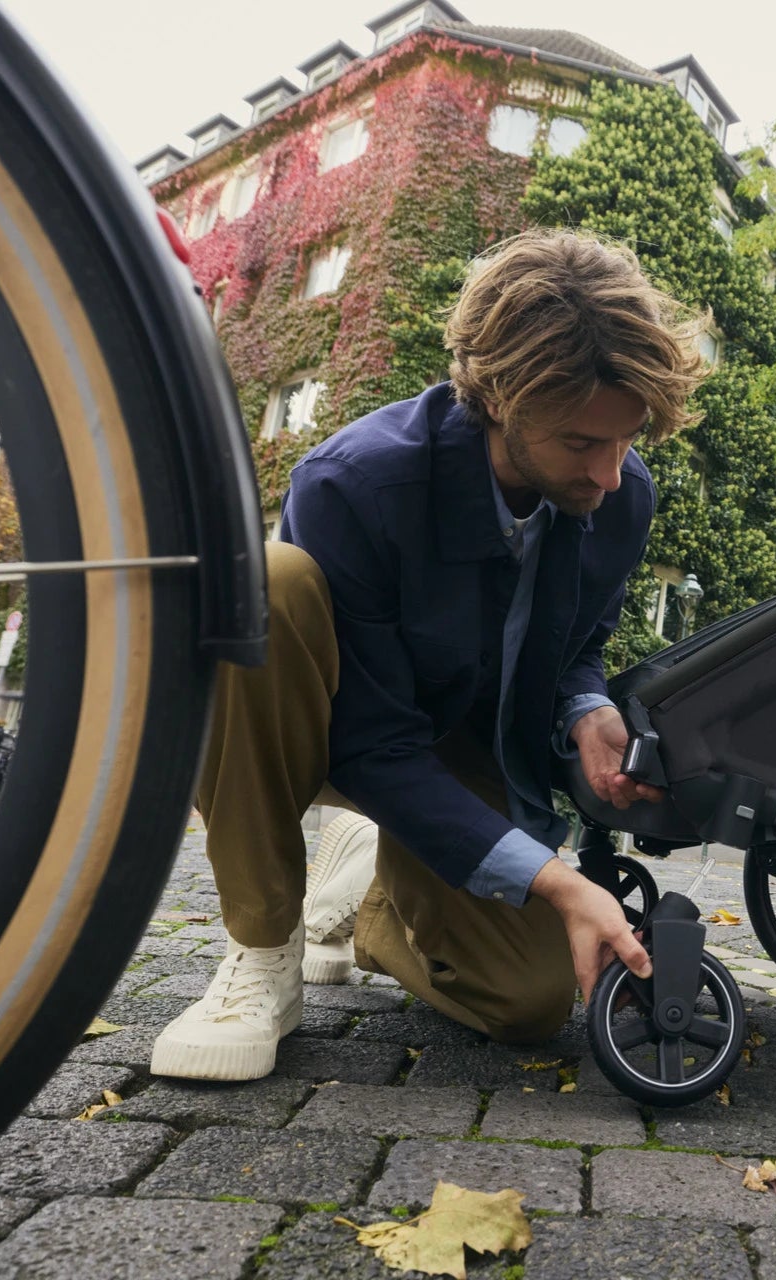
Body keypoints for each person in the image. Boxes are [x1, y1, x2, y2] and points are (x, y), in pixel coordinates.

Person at [150, 228, 709, 1080]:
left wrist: (586, 709)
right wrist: (559, 885)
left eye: (626, 439)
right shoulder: (355, 485)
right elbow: (374, 743)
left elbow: (579, 647)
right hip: (335, 729)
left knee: (527, 1006)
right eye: (581, 444)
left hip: (462, 746)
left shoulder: (622, 496)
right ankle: (263, 949)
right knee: (262, 581)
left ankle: (372, 903)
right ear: (496, 399)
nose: (608, 473)